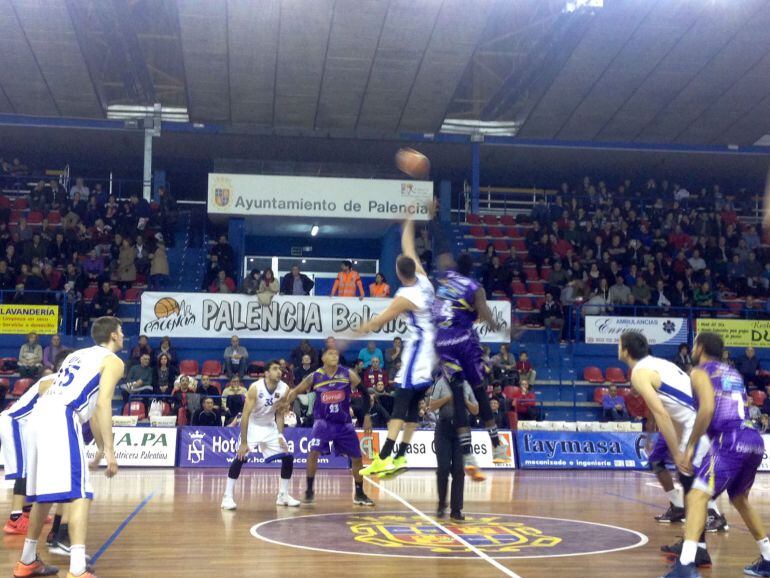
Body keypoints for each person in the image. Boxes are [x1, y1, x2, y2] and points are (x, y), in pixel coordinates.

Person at [15, 316, 123, 578]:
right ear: (113, 336)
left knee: (46, 494)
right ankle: (77, 568)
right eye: (120, 332)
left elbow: (95, 410)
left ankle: (27, 560)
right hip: (63, 416)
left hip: (40, 416)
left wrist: (99, 446)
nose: (123, 336)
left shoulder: (80, 355)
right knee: (80, 493)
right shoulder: (113, 361)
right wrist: (110, 451)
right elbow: (103, 404)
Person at [665, 332, 770, 578]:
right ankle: (768, 557)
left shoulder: (699, 371)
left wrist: (690, 446)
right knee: (739, 499)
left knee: (697, 497)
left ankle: (686, 566)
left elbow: (708, 409)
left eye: (694, 345)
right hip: (753, 439)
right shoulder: (733, 373)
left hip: (729, 440)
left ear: (700, 348)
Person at [617, 331, 719, 568]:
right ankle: (696, 545)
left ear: (626, 350)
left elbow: (662, 413)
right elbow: (671, 409)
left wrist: (677, 452)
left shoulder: (639, 374)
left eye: (619, 344)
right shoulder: (660, 363)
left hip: (697, 425)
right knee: (689, 486)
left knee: (690, 487)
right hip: (700, 423)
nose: (618, 348)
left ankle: (697, 548)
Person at [357, 215, 436, 478]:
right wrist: (409, 220)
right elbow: (409, 248)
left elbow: (379, 322)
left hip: (417, 352)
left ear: (400, 275)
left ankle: (382, 458)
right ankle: (401, 456)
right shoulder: (424, 279)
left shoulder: (405, 296)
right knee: (413, 406)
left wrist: (353, 331)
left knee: (400, 406)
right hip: (431, 354)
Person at [430, 239, 509, 477]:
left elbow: (441, 250)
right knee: (479, 390)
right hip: (463, 340)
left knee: (456, 393)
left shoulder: (444, 282)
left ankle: (467, 453)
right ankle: (496, 446)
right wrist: (505, 330)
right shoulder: (475, 287)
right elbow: (486, 316)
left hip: (442, 341)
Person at [282, 347, 374, 506]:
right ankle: (309, 490)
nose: (335, 356)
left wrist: (365, 416)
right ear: (323, 357)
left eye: (336, 353)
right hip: (323, 423)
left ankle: (359, 493)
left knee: (357, 458)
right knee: (313, 453)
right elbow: (296, 391)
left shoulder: (348, 373)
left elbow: (366, 394)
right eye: (331, 353)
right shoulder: (315, 376)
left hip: (344, 423)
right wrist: (284, 403)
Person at [221, 360, 300, 510]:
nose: (279, 372)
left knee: (288, 457)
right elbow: (244, 416)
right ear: (266, 373)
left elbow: (280, 414)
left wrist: (280, 435)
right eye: (275, 369)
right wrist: (244, 443)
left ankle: (283, 495)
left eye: (280, 369)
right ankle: (227, 497)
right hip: (252, 426)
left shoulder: (284, 388)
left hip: (269, 427)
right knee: (240, 457)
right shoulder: (255, 388)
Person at [429, 375, 477, 521]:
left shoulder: (467, 384)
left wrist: (465, 401)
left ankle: (456, 509)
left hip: (462, 430)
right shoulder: (441, 383)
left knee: (458, 470)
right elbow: (431, 406)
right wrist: (447, 399)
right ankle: (441, 505)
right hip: (444, 428)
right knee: (443, 468)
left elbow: (475, 410)